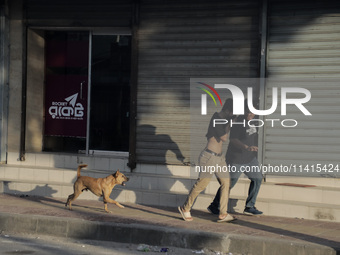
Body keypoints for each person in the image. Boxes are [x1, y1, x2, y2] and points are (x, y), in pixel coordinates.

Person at [178, 98, 235, 223]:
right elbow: (224, 137)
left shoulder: (225, 119)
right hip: (209, 157)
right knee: (201, 185)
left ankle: (223, 213)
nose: (232, 115)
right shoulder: (217, 119)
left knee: (226, 183)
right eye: (232, 113)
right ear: (226, 110)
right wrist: (231, 122)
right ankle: (185, 207)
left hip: (220, 158)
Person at [207, 101, 263, 216]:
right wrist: (246, 147)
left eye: (252, 112)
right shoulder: (238, 122)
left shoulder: (254, 121)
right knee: (229, 183)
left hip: (250, 158)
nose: (249, 114)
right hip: (236, 158)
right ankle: (214, 205)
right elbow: (233, 139)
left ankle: (250, 206)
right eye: (247, 111)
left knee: (257, 179)